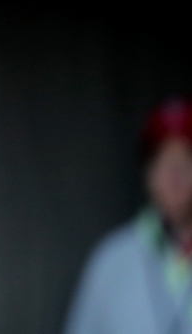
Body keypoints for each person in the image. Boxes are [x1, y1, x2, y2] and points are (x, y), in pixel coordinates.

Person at [64, 97, 192, 334]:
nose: (175, 176)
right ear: (147, 173)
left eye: (187, 159)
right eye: (162, 160)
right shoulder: (112, 261)